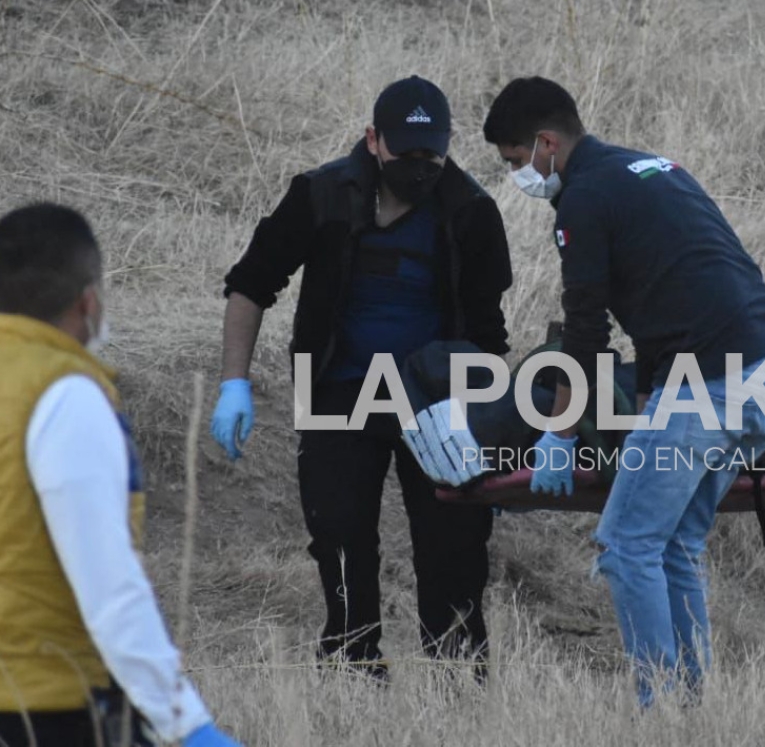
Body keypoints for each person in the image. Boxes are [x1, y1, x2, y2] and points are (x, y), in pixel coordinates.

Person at [483, 77, 765, 707]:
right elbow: (685, 289)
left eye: (517, 162)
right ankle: (692, 710)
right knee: (675, 545)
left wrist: (558, 433)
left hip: (706, 383)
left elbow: (587, 331)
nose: (519, 177)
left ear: (546, 142)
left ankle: (660, 711)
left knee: (627, 548)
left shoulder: (585, 199)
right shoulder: (653, 167)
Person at [211, 75, 513, 681]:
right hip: (338, 392)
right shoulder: (321, 195)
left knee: (453, 543)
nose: (421, 167)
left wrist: (486, 422)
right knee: (340, 537)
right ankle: (353, 669)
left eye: (434, 154)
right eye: (408, 152)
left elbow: (487, 333)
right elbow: (251, 282)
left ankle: (457, 679)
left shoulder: (470, 211)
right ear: (374, 140)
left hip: (436, 402)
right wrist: (233, 383)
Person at [0, 203, 240, 747]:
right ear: (89, 303)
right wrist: (187, 724)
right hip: (48, 710)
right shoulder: (66, 396)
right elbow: (109, 587)